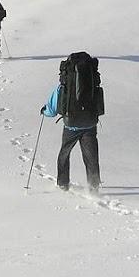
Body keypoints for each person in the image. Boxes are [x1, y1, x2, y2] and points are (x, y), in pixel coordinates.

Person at [40, 52, 102, 194]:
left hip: (71, 126)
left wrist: (44, 111)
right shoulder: (92, 83)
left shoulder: (64, 85)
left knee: (64, 154)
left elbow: (53, 109)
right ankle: (93, 187)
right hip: (90, 125)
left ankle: (63, 184)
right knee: (91, 156)